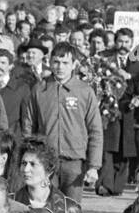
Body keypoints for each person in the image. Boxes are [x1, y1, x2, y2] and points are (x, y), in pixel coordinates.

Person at [20, 44, 103, 199]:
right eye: (56, 62)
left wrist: (94, 166)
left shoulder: (84, 91)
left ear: (74, 65)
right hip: (45, 161)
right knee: (45, 207)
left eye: (65, 63)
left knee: (72, 210)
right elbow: (28, 125)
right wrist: (29, 156)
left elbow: (95, 130)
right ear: (50, 63)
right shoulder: (39, 89)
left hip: (74, 163)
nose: (60, 67)